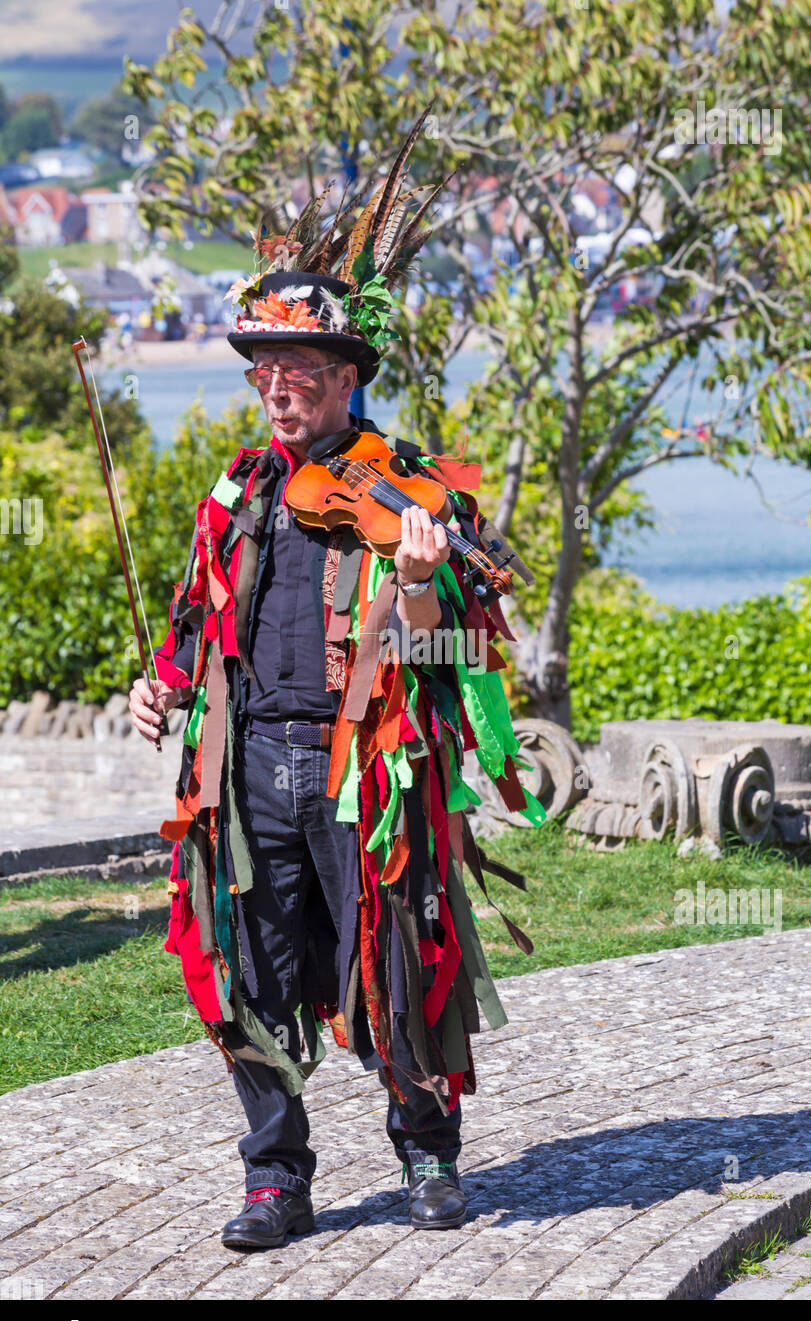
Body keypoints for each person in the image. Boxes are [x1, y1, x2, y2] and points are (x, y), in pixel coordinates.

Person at [128, 113, 542, 1251]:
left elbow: (450, 650)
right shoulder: (239, 488)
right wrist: (158, 686)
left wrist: (415, 584)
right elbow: (196, 615)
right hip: (248, 762)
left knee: (394, 961)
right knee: (244, 971)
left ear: (346, 379)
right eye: (265, 372)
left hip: (364, 774)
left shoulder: (413, 487)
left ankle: (425, 1151)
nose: (276, 390)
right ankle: (277, 1176)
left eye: (297, 372)